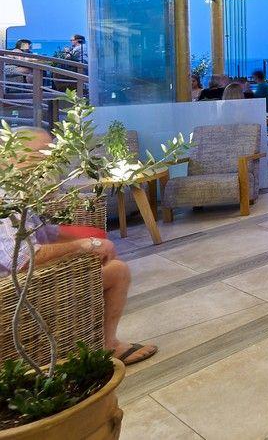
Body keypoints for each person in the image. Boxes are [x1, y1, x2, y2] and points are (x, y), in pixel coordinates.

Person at [0, 128, 156, 365]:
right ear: (14, 157)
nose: (50, 165)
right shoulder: (5, 202)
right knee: (118, 272)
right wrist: (86, 244)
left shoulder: (16, 195)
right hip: (13, 292)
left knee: (108, 263)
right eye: (43, 155)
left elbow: (44, 232)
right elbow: (24, 258)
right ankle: (109, 346)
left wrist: (92, 237)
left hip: (22, 282)